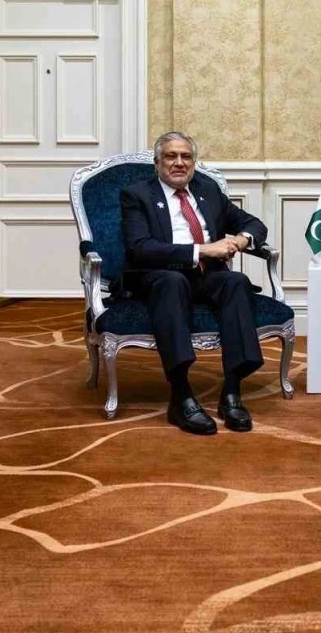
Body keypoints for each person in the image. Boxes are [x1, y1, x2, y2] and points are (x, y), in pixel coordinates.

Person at [119, 131, 268, 435]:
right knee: (173, 282)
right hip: (160, 275)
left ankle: (231, 392)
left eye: (186, 157)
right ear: (157, 163)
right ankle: (181, 395)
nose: (179, 163)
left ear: (194, 162)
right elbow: (140, 248)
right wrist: (201, 250)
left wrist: (241, 240)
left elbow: (254, 224)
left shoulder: (206, 189)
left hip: (205, 275)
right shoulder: (137, 195)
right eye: (171, 156)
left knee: (236, 282)